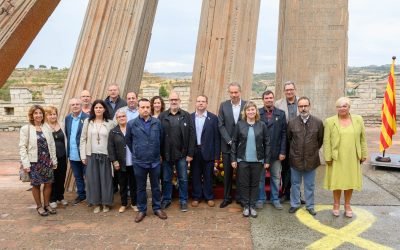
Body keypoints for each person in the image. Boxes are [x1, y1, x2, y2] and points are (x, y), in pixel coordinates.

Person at [323, 97, 367, 218]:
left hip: (352, 156)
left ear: (349, 107)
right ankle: (336, 204)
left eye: (344, 106)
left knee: (350, 181)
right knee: (337, 181)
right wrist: (327, 156)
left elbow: (363, 138)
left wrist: (364, 154)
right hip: (337, 157)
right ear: (336, 108)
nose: (342, 108)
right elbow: (327, 141)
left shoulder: (358, 119)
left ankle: (347, 205)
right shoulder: (330, 121)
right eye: (339, 106)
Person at [126, 98, 167, 222]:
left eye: (147, 107)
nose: (145, 109)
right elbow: (128, 141)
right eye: (142, 107)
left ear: (151, 108)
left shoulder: (157, 122)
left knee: (155, 186)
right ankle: (142, 210)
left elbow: (161, 139)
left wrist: (158, 153)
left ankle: (157, 208)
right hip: (139, 161)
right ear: (138, 108)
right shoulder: (131, 124)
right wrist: (137, 152)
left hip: (154, 161)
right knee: (141, 187)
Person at [231, 101, 270, 218]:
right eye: (248, 110)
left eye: (253, 109)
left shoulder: (262, 125)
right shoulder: (240, 125)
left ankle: (252, 206)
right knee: (243, 184)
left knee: (254, 184)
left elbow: (267, 143)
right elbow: (234, 142)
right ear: (245, 112)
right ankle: (245, 206)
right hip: (242, 159)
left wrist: (267, 160)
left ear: (256, 111)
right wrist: (233, 159)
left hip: (258, 161)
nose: (251, 112)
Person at [159, 92, 195, 212]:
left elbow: (191, 135)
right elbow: (158, 136)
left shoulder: (186, 116)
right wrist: (159, 153)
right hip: (166, 154)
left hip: (182, 154)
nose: (174, 102)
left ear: (180, 101)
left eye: (176, 99)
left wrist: (190, 153)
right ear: (169, 101)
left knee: (183, 178)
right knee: (166, 179)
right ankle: (166, 199)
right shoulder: (162, 116)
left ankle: (183, 200)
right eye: (172, 100)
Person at [287, 97, 323, 216]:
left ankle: (310, 206)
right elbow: (289, 139)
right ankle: (295, 204)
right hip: (295, 159)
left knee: (310, 185)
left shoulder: (318, 122)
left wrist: (311, 151)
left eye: (305, 106)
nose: (303, 109)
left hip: (311, 159)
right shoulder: (292, 122)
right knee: (295, 184)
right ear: (298, 107)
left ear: (309, 106)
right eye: (300, 106)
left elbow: (320, 140)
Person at [19, 105, 58, 216]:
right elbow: (22, 147)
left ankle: (47, 205)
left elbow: (51, 145)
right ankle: (39, 206)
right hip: (33, 161)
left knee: (48, 183)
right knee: (36, 185)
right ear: (32, 115)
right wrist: (26, 164)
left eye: (40, 113)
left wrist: (54, 160)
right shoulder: (26, 128)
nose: (38, 115)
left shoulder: (46, 127)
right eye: (36, 113)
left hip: (46, 160)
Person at [80, 100, 115, 213]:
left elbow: (113, 140)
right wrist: (83, 156)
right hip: (91, 155)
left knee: (106, 180)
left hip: (105, 155)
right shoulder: (88, 122)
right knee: (93, 180)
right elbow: (83, 139)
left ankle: (106, 203)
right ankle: (96, 203)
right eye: (96, 108)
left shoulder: (110, 123)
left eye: (100, 107)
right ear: (93, 109)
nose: (98, 109)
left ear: (104, 109)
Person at [218, 82, 247, 208]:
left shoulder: (247, 105)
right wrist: (229, 140)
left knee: (241, 173)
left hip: (243, 146)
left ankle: (240, 198)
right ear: (229, 93)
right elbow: (220, 124)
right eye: (232, 92)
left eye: (236, 92)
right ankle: (227, 197)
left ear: (240, 92)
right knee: (227, 173)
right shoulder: (223, 106)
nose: (234, 95)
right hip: (227, 145)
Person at [256, 90, 287, 210]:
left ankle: (275, 199)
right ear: (262, 100)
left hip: (276, 152)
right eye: (266, 98)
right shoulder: (258, 113)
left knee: (275, 177)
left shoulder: (281, 114)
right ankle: (260, 198)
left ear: (273, 99)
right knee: (260, 178)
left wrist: (283, 151)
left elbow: (284, 134)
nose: (269, 100)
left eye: (270, 98)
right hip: (261, 153)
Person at [190, 95, 220, 207]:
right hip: (194, 151)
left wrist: (217, 155)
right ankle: (197, 196)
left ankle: (209, 197)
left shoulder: (213, 118)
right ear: (195, 103)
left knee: (208, 175)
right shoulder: (190, 117)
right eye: (198, 101)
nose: (201, 103)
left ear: (207, 103)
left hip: (209, 151)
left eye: (203, 101)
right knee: (195, 175)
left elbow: (217, 138)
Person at [275, 81, 301, 203]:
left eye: (291, 89)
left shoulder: (302, 102)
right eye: (287, 90)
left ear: (295, 89)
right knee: (285, 168)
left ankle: (297, 194)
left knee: (297, 168)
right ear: (284, 91)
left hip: (299, 141)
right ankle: (285, 193)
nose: (289, 92)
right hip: (284, 140)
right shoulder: (278, 104)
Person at [108, 109, 137, 213]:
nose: (121, 118)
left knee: (134, 184)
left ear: (126, 117)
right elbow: (110, 148)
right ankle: (124, 204)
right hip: (120, 164)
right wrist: (114, 161)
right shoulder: (113, 131)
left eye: (123, 116)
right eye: (119, 117)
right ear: (116, 119)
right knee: (123, 184)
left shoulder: (132, 129)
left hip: (133, 162)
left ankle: (134, 203)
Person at [112, 91, 140, 200]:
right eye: (129, 98)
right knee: (124, 178)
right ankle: (125, 199)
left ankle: (136, 197)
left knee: (136, 176)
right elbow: (115, 127)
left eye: (133, 98)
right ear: (126, 100)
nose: (131, 100)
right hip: (122, 148)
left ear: (137, 99)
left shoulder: (141, 111)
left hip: (137, 148)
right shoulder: (121, 111)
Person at [65, 98, 89, 205]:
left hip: (84, 154)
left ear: (81, 105)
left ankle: (91, 196)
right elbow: (68, 133)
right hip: (73, 154)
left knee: (88, 176)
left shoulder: (87, 118)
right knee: (78, 176)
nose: (75, 106)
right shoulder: (68, 118)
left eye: (77, 104)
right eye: (73, 104)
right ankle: (81, 195)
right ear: (70, 106)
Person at [44, 106, 68, 208]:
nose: (53, 116)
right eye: (50, 114)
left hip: (62, 156)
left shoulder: (62, 125)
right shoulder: (44, 127)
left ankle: (60, 197)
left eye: (54, 114)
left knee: (61, 177)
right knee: (52, 179)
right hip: (50, 158)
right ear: (46, 116)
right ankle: (52, 199)